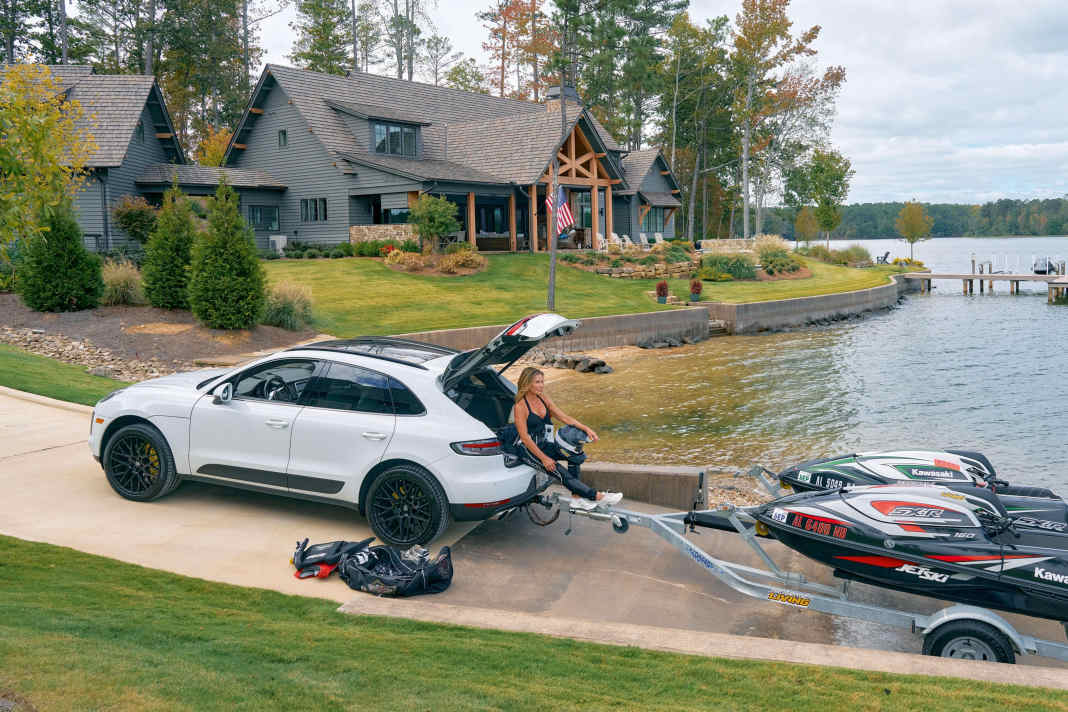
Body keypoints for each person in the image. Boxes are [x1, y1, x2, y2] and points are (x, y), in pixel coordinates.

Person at [512, 366, 622, 511]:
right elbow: (525, 437)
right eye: (537, 382)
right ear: (528, 384)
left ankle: (576, 499)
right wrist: (544, 459)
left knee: (573, 456)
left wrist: (585, 428)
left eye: (542, 381)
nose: (541, 385)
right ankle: (598, 497)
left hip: (544, 444)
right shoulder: (520, 406)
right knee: (560, 472)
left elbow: (564, 417)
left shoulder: (543, 399)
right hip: (528, 449)